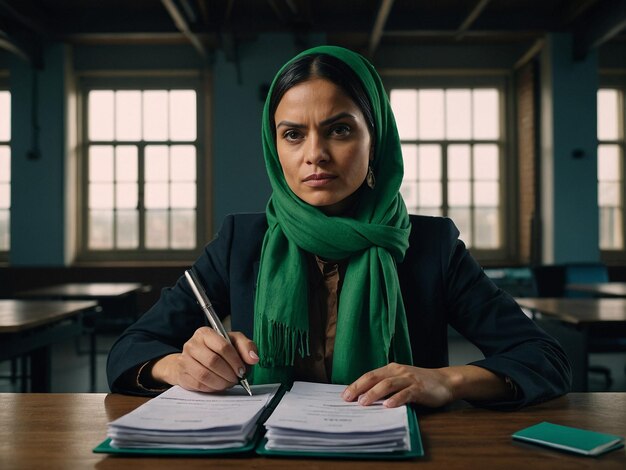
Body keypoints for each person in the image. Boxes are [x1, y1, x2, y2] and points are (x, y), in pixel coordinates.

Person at [107, 45, 571, 410]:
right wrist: (177, 365)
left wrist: (447, 380)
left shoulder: (432, 245)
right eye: (293, 134)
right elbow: (131, 348)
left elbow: (544, 359)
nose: (315, 154)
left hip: (401, 449)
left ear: (377, 140)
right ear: (275, 149)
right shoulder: (240, 241)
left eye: (340, 130)